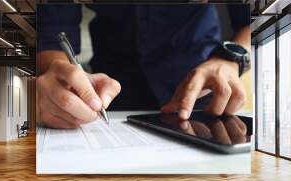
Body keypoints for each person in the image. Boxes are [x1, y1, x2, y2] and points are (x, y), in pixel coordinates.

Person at [36, 4, 250, 128]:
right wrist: (59, 74)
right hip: (111, 96)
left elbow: (253, 20)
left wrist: (229, 59)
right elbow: (53, 31)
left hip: (201, 94)